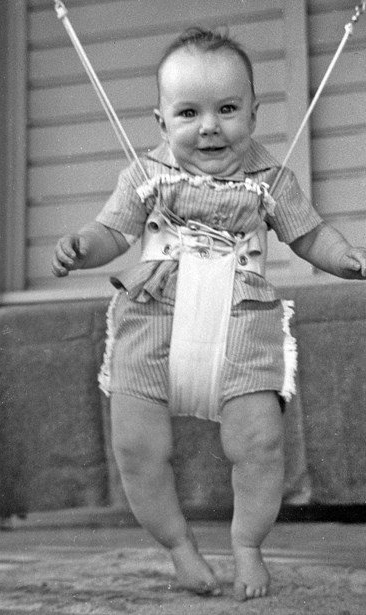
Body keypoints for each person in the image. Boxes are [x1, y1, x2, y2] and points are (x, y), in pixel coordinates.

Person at [52, 28, 366, 601]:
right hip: (152, 319)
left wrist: (343, 257)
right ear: (162, 122)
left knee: (259, 444)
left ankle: (248, 543)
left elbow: (311, 234)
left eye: (227, 109)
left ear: (253, 112)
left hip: (241, 323)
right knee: (136, 448)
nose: (210, 126)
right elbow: (110, 232)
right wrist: (81, 246)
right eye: (189, 112)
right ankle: (178, 546)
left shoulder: (272, 182)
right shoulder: (145, 178)